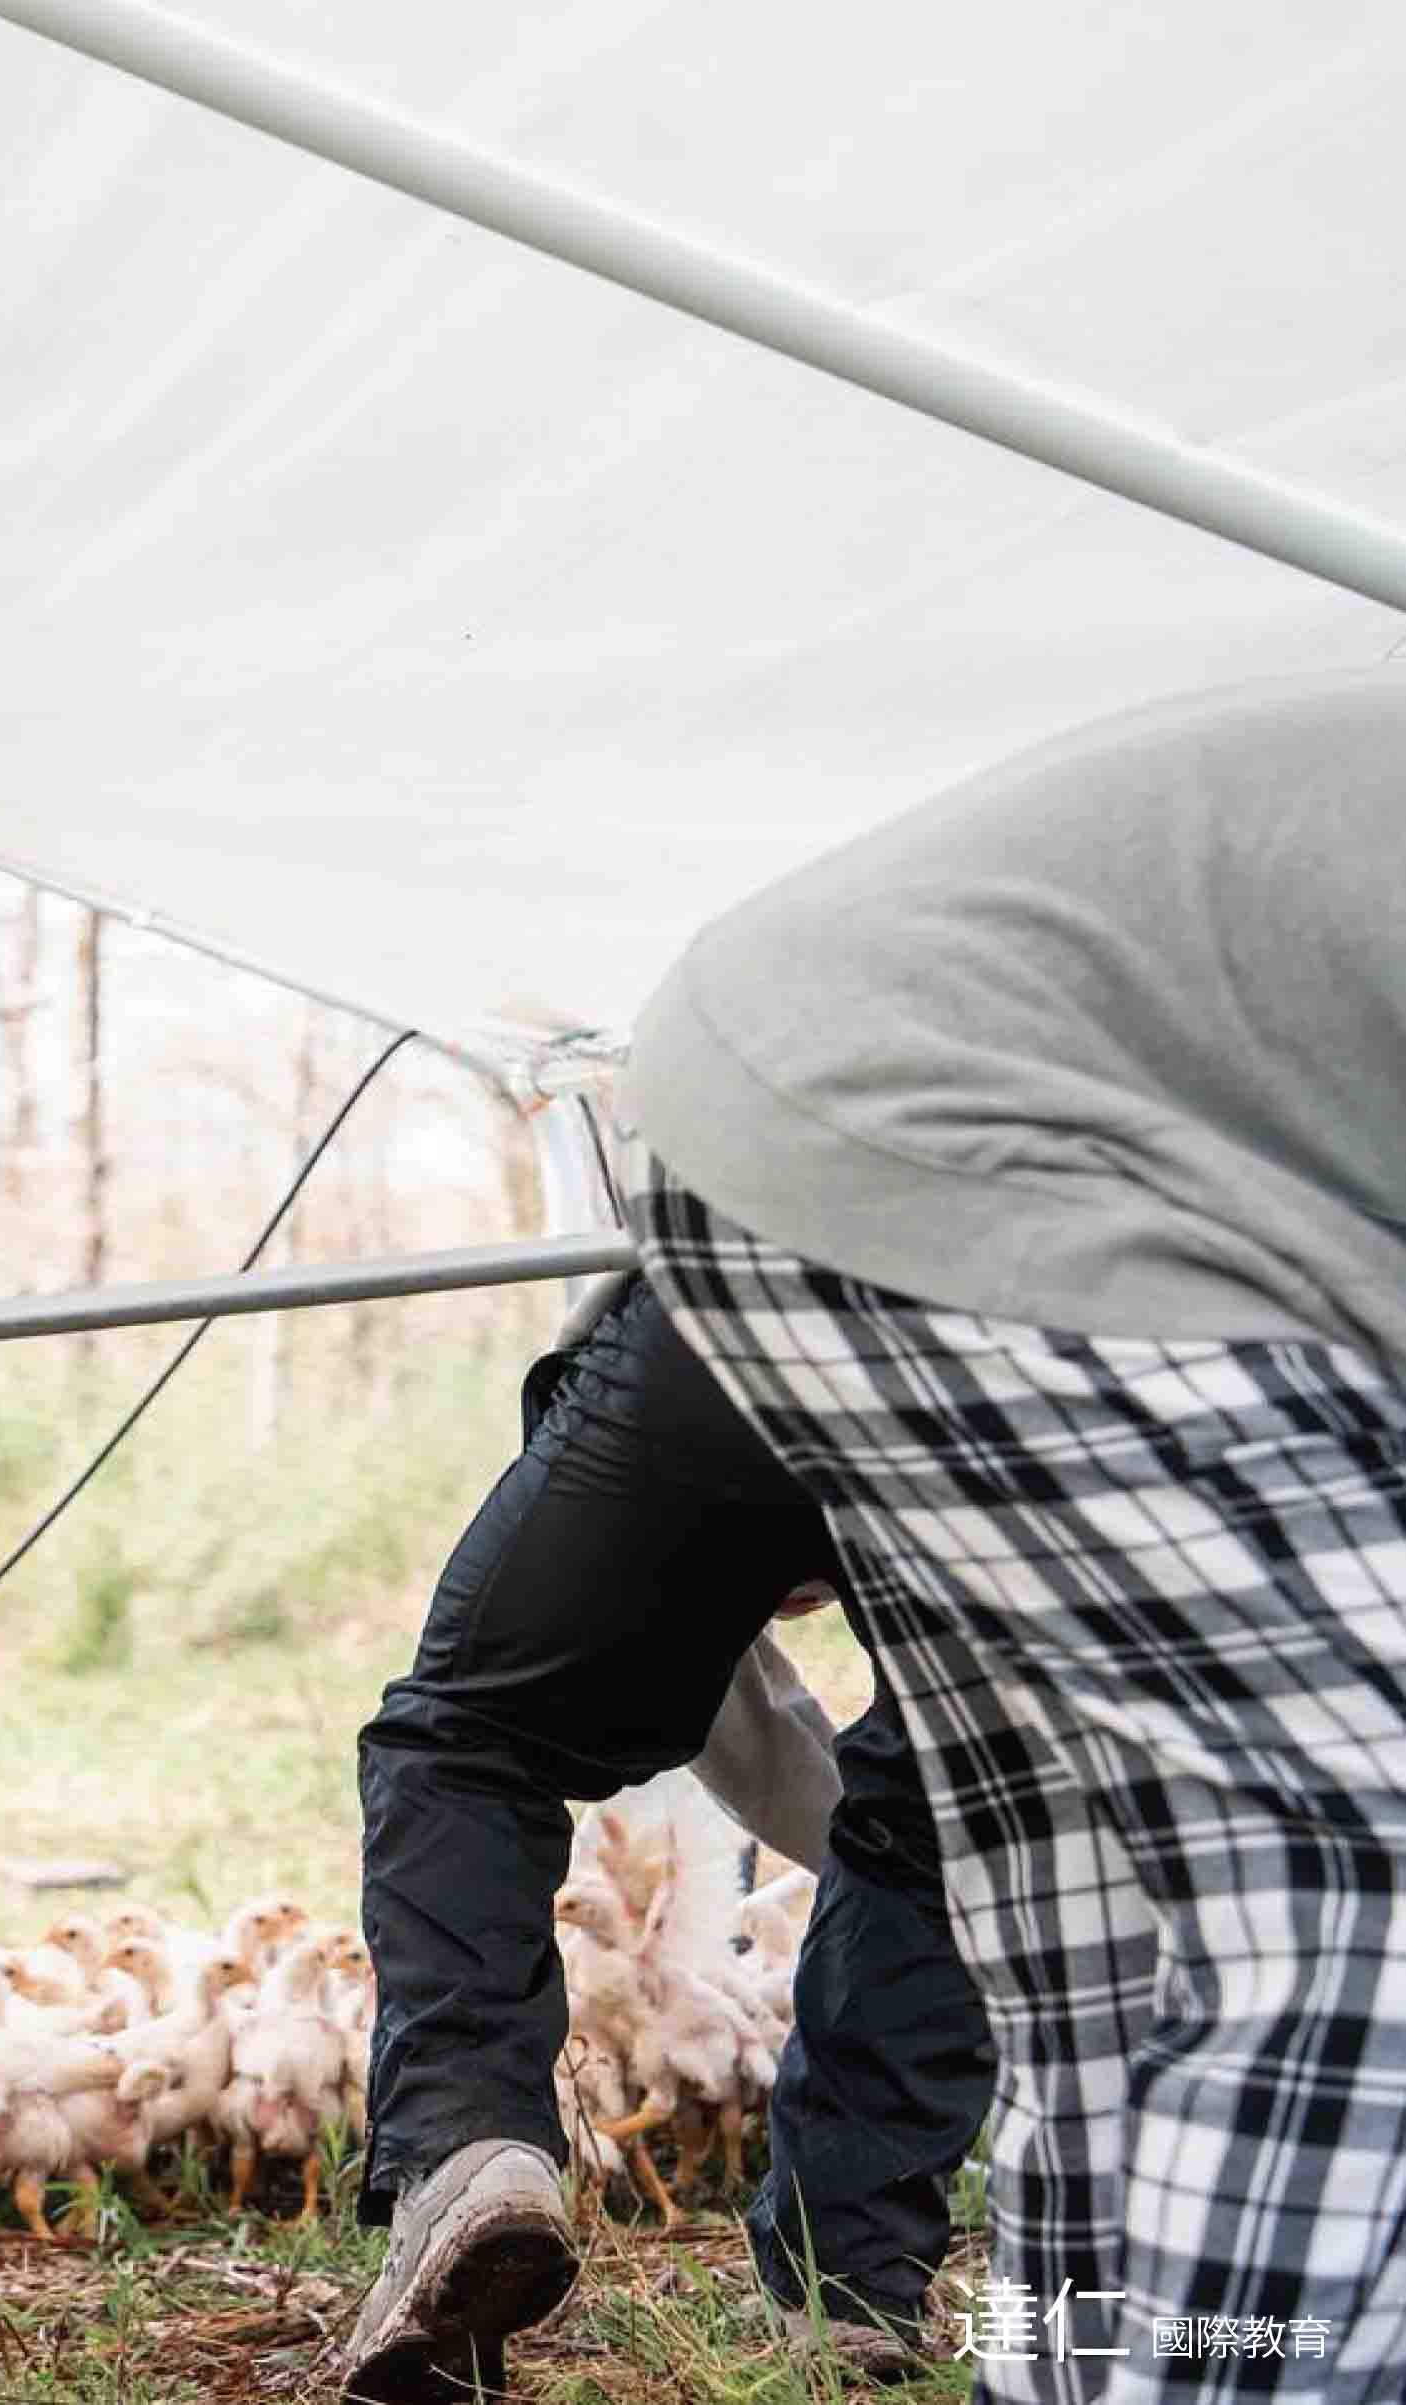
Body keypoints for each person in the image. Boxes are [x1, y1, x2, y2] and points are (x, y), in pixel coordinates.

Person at [625, 668, 1406, 2404]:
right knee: (1363, 1858)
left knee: (1096, 1948)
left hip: (791, 1095)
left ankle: (1077, 2366)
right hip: (992, 1138)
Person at [343, 1270, 994, 2399]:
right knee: (954, 1787)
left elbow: (756, 1742)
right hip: (1021, 1343)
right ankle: (849, 2279)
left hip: (728, 1303)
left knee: (468, 1735)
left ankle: (466, 2145)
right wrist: (916, 1828)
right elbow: (797, 1767)